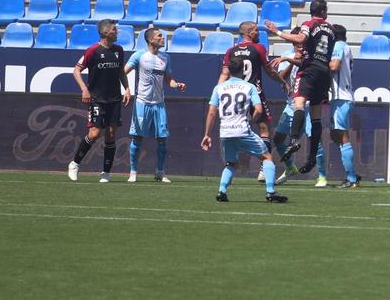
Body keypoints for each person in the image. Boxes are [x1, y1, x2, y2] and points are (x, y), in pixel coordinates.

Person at [200, 54, 287, 203]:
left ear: (229, 70)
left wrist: (207, 134)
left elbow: (212, 112)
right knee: (266, 157)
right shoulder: (250, 86)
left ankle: (222, 191)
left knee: (231, 163)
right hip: (242, 129)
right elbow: (259, 110)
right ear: (244, 70)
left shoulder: (219, 88)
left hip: (226, 131)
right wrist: (251, 121)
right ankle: (271, 192)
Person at [266, 0, 336, 169]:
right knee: (316, 115)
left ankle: (295, 140)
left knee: (299, 103)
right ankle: (312, 156)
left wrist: (278, 32)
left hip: (310, 69)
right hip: (324, 71)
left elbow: (301, 37)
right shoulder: (332, 29)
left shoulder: (309, 23)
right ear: (324, 11)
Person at [67, 19, 131, 183]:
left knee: (111, 134)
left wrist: (127, 88)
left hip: (114, 99)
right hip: (97, 99)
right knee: (95, 133)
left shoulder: (119, 50)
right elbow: (76, 70)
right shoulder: (93, 51)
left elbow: (121, 72)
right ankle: (74, 164)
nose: (117, 32)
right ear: (105, 32)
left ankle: (106, 173)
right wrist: (84, 89)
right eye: (114, 30)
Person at [125, 28, 186, 183]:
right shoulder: (139, 55)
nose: (162, 38)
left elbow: (169, 79)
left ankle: (160, 172)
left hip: (159, 104)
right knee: (137, 137)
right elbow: (123, 72)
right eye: (159, 36)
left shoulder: (166, 57)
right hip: (142, 102)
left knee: (162, 139)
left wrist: (176, 84)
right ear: (151, 39)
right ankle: (133, 172)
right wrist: (125, 88)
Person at [270, 34, 327, 187]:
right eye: (297, 43)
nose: (300, 46)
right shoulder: (287, 56)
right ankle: (290, 167)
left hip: (307, 105)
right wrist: (291, 62)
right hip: (291, 105)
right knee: (278, 139)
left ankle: (322, 175)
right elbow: (281, 77)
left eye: (302, 43)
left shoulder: (312, 56)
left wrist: (295, 60)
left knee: (314, 139)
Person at [328, 24, 360, 189]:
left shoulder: (339, 46)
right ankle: (352, 172)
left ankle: (352, 178)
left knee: (342, 135)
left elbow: (334, 66)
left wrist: (318, 66)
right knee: (336, 135)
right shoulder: (344, 46)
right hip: (341, 97)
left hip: (341, 97)